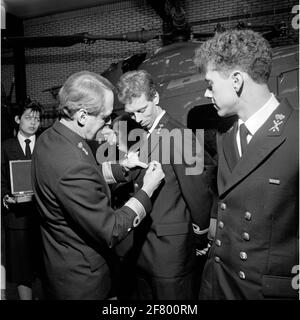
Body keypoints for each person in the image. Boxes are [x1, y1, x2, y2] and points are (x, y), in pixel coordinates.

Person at [31, 70, 165, 300]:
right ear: (82, 116)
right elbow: (111, 229)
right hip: (84, 282)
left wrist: (122, 167)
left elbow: (83, 180)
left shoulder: (51, 139)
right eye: (105, 117)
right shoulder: (71, 163)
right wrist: (147, 190)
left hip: (60, 266)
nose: (109, 123)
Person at [194, 29, 299, 299]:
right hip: (219, 284)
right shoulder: (226, 136)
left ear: (237, 80)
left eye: (211, 84)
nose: (208, 93)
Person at [116, 70, 216, 300]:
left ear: (156, 98)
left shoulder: (180, 135)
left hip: (171, 252)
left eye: (142, 110)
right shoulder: (142, 133)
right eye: (132, 114)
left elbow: (198, 192)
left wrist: (200, 237)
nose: (138, 119)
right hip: (144, 248)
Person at [1, 101, 43, 300]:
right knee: (21, 269)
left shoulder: (46, 144)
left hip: (43, 216)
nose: (33, 122)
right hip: (16, 219)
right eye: (29, 118)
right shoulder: (5, 147)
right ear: (18, 120)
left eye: (37, 118)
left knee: (45, 266)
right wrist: (5, 196)